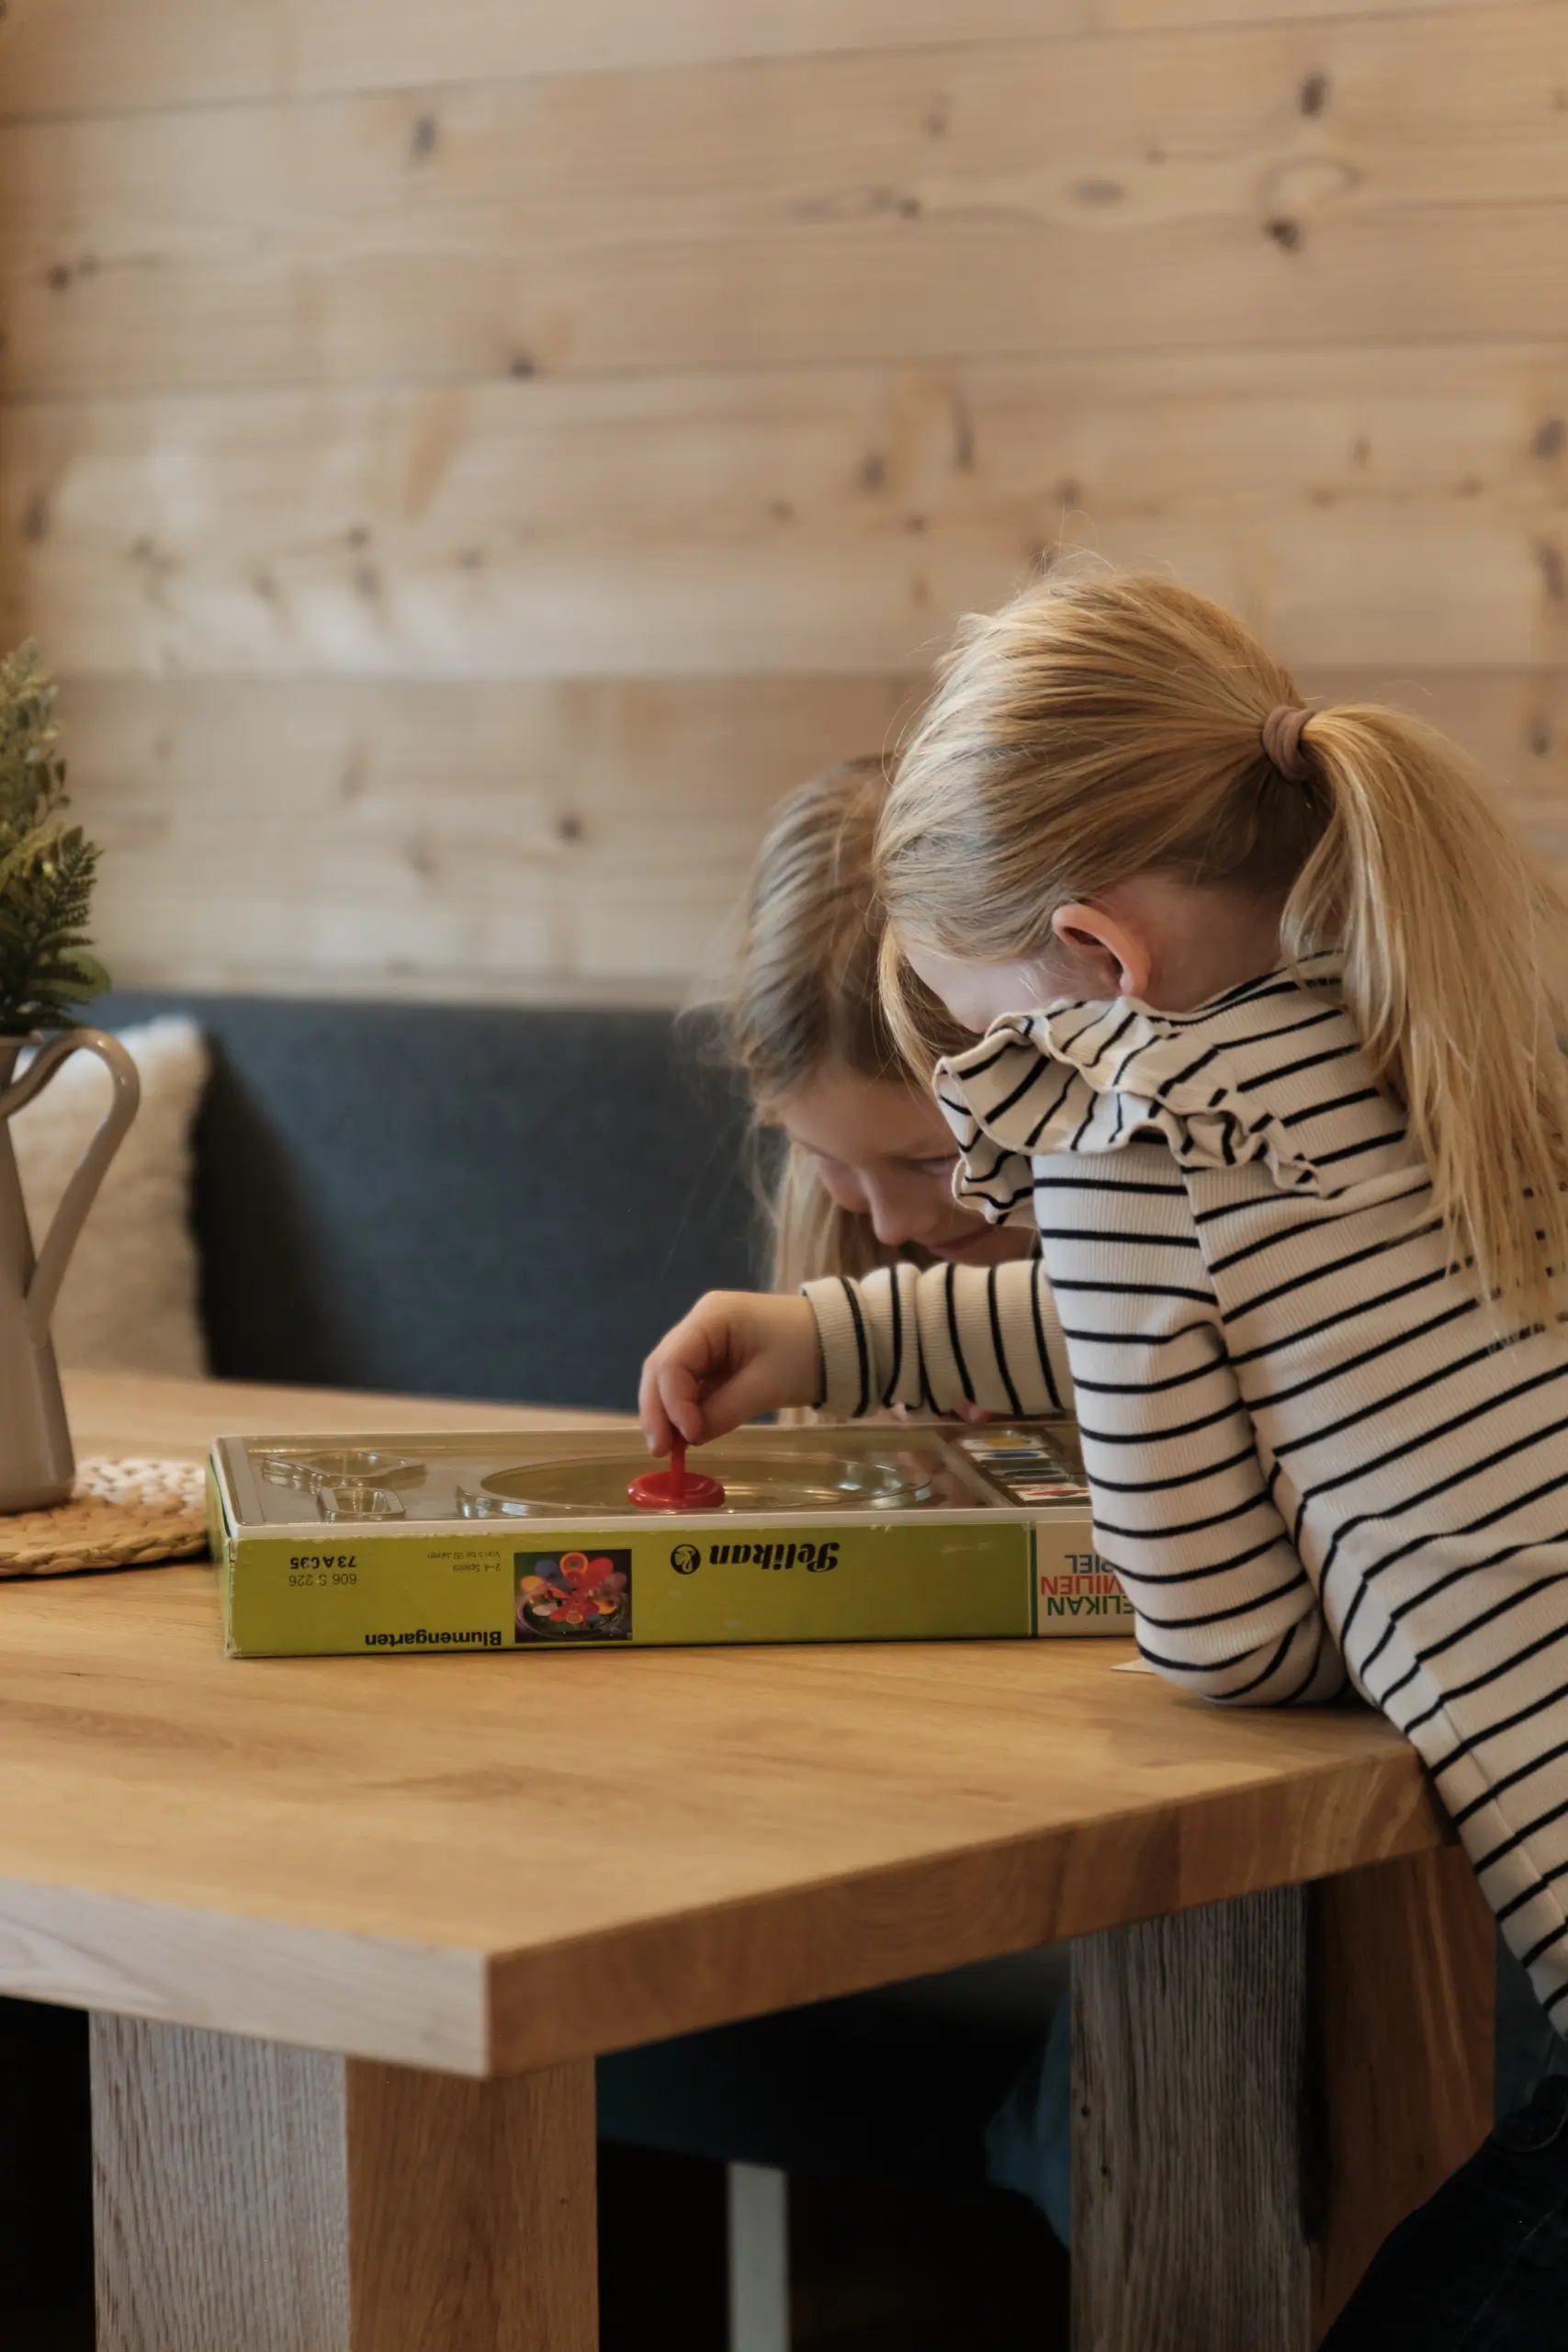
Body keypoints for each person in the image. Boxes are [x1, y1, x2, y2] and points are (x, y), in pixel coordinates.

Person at [641, 568, 1568, 2342]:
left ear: (1096, 962)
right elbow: (1184, 1318)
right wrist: (829, 1339)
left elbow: (1229, 1641)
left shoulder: (1137, 1139)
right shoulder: (1407, 1039)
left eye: (973, 1042)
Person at [604, 754, 1074, 2241]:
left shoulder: (1178, 1256)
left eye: (933, 1160)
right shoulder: (838, 1286)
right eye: (827, 1162)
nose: (896, 1222)